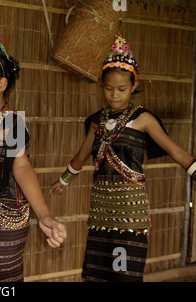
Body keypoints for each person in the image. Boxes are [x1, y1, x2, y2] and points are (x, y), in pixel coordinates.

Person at [49, 32, 196, 282]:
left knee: (124, 274)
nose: (114, 95)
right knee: (99, 275)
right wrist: (63, 181)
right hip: (101, 210)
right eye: (108, 88)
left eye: (121, 89)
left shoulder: (144, 120)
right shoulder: (97, 122)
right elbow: (82, 155)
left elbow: (177, 152)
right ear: (101, 86)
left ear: (134, 86)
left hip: (130, 213)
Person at [0, 32, 67, 282]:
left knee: (0, 279)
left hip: (8, 221)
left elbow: (21, 166)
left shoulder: (13, 124)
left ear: (2, 84)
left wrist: (43, 214)